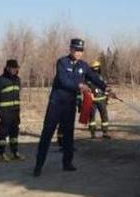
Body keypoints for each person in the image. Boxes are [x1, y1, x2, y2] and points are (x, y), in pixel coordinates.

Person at [33, 38, 107, 177]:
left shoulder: (84, 66)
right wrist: (79, 86)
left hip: (69, 105)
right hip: (56, 104)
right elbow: (63, 80)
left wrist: (106, 88)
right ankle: (38, 165)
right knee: (47, 133)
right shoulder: (62, 62)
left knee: (68, 135)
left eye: (81, 51)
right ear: (70, 49)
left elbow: (94, 78)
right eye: (76, 50)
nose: (78, 53)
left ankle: (67, 163)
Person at [0, 59, 22, 162]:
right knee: (3, 132)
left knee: (14, 132)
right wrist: (0, 105)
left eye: (16, 68)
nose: (15, 70)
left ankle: (15, 152)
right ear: (8, 68)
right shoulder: (0, 80)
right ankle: (2, 153)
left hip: (15, 111)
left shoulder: (18, 80)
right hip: (5, 112)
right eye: (13, 68)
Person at [87, 60, 110, 139]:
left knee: (104, 117)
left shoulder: (101, 77)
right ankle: (93, 133)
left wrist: (107, 97)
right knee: (92, 117)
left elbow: (105, 87)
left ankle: (105, 132)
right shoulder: (88, 78)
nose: (96, 69)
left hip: (101, 99)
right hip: (93, 100)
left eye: (97, 67)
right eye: (95, 67)